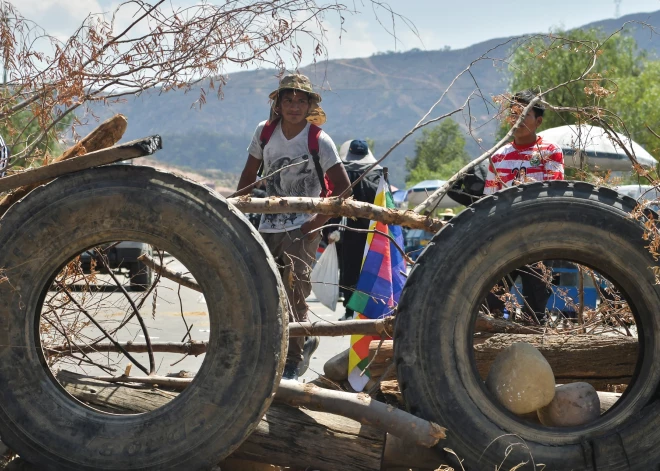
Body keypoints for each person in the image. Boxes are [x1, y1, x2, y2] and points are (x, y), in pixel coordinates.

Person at [236, 73, 351, 380]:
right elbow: (249, 175)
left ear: (310, 105)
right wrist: (233, 208)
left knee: (295, 292)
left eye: (301, 101)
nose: (295, 106)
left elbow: (343, 189)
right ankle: (275, 348)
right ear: (279, 104)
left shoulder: (318, 140)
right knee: (265, 288)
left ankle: (292, 360)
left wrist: (314, 224)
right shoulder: (265, 133)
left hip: (303, 226)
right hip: (268, 223)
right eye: (289, 100)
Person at [484, 89, 564, 320]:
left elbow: (554, 195)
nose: (516, 119)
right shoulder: (498, 157)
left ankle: (534, 352)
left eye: (524, 114)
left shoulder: (549, 152)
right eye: (513, 113)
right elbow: (489, 200)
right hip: (503, 240)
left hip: (538, 240)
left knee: (535, 307)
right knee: (492, 304)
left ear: (538, 121)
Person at [334, 139, 384, 321]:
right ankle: (365, 310)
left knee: (350, 270)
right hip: (374, 230)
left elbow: (334, 202)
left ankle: (350, 311)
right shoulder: (378, 174)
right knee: (370, 270)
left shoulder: (343, 173)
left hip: (349, 230)